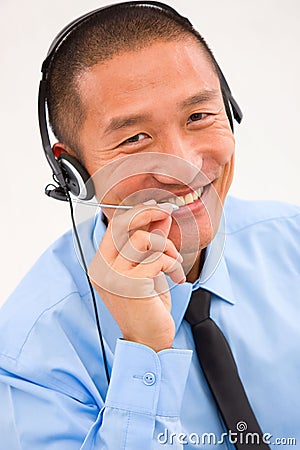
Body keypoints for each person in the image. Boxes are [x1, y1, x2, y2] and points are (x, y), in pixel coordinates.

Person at [0, 2, 299, 449]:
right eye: (134, 138)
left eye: (199, 116)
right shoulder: (28, 354)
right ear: (73, 173)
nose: (182, 165)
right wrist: (145, 352)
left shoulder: (292, 243)